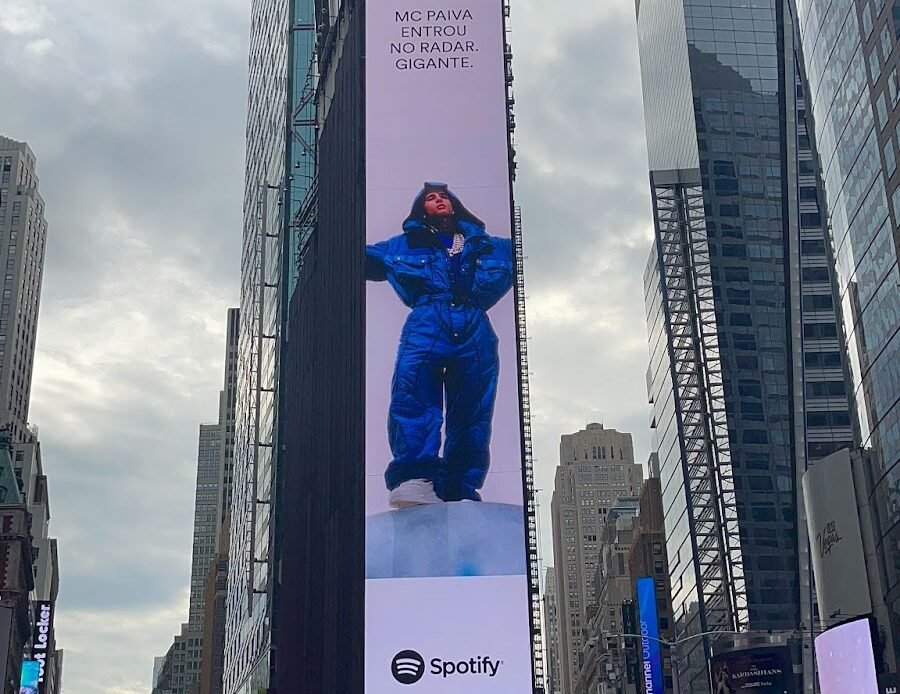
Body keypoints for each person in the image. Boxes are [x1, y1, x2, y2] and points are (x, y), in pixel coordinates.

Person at [366, 182, 513, 507]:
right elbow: (358, 257)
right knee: (413, 394)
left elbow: (535, 246)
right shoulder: (401, 245)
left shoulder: (492, 247)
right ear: (422, 210)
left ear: (455, 204)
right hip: (426, 321)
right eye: (431, 198)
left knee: (473, 411)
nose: (438, 200)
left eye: (443, 196)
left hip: (475, 328)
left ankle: (460, 488)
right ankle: (415, 478)